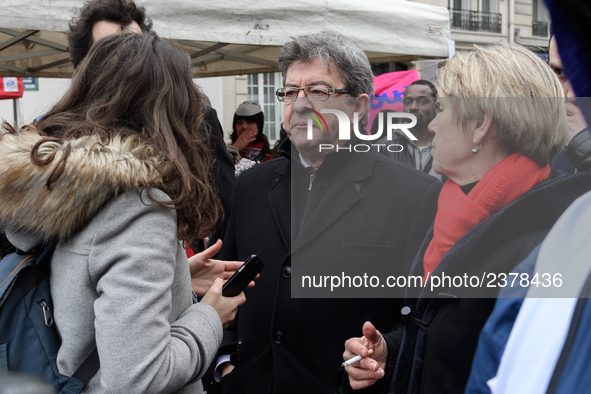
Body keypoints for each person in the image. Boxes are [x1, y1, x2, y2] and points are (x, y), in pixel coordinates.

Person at [0, 33, 246, 393]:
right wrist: (209, 316)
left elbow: (82, 287)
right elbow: (139, 377)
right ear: (169, 112)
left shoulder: (67, 187)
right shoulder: (138, 206)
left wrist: (174, 277)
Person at [342, 42, 591, 394]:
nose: (432, 123)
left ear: (480, 125)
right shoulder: (448, 203)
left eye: (441, 108)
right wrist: (391, 351)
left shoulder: (548, 234)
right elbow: (441, 339)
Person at [210, 31, 441, 394]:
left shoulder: (414, 195)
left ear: (359, 106)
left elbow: (422, 318)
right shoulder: (252, 185)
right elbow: (225, 285)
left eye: (318, 92)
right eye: (289, 92)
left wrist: (386, 351)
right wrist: (225, 364)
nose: (299, 104)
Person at [67, 0, 235, 243]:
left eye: (137, 44)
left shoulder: (194, 117)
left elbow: (223, 210)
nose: (130, 57)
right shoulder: (66, 134)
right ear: (84, 67)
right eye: (111, 49)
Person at [377, 80, 442, 180]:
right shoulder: (385, 146)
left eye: (422, 102)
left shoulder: (449, 145)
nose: (413, 107)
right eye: (408, 102)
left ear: (436, 106)